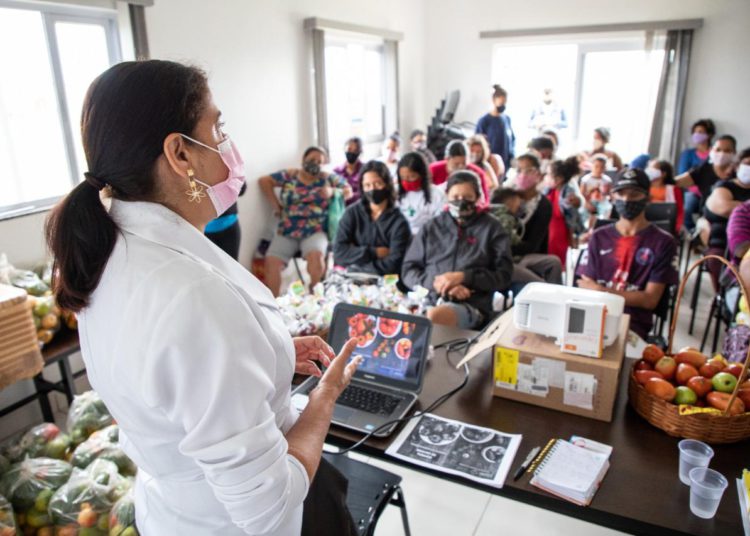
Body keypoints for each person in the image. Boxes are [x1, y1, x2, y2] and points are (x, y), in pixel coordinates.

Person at [44, 60, 363, 535]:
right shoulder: (193, 296)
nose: (228, 145)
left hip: (175, 511)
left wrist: (265, 354)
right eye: (218, 127)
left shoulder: (110, 251)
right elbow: (268, 506)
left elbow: (174, 381)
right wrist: (325, 397)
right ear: (180, 154)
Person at [402, 171, 513, 329]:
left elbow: (504, 276)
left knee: (435, 317)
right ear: (447, 196)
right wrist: (439, 284)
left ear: (478, 196)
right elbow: (408, 270)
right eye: (455, 198)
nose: (461, 202)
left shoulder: (492, 228)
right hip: (427, 297)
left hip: (472, 304)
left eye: (467, 198)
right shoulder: (431, 227)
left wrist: (465, 277)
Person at [577, 168, 678, 339]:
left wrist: (601, 290)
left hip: (633, 326)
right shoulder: (599, 236)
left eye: (634, 194)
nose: (626, 200)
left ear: (647, 199)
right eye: (621, 194)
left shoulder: (663, 242)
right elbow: (585, 287)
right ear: (612, 197)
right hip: (593, 320)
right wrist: (603, 292)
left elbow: (649, 300)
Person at [259, 146, 353, 296]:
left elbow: (348, 190)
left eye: (319, 162)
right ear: (303, 160)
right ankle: (274, 302)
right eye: (312, 160)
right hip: (288, 228)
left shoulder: (327, 178)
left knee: (316, 257)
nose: (315, 163)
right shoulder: (290, 175)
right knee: (271, 261)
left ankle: (315, 297)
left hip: (315, 229)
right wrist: (276, 205)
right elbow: (264, 181)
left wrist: (333, 192)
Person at [333, 161, 412, 276]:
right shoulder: (351, 213)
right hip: (352, 278)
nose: (372, 189)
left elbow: (394, 263)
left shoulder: (399, 222)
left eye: (378, 184)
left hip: (385, 282)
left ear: (387, 184)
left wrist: (357, 265)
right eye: (367, 185)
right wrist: (374, 252)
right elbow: (339, 253)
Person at [511, 153, 563, 286]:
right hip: (502, 256)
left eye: (529, 170)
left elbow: (533, 244)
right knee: (533, 281)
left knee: (554, 262)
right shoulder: (505, 197)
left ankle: (554, 300)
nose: (523, 175)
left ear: (539, 175)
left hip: (526, 255)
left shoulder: (543, 205)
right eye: (519, 170)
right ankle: (544, 291)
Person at [703, 147, 750, 282]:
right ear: (736, 166)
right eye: (748, 164)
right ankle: (723, 296)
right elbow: (724, 208)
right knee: (718, 259)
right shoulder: (724, 187)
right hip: (722, 240)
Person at [676, 135, 737, 237]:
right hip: (708, 218)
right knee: (712, 233)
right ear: (712, 150)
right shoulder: (703, 169)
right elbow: (677, 181)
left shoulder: (740, 173)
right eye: (718, 150)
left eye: (727, 150)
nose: (721, 154)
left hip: (734, 218)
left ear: (734, 153)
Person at [677, 119, 716, 233]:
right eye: (695, 132)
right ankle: (693, 234)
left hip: (712, 191)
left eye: (700, 132)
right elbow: (682, 175)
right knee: (687, 208)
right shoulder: (688, 154)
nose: (697, 135)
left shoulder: (716, 153)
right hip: (693, 191)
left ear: (709, 134)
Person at [396, 152, 446, 235]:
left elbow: (440, 223)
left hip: (427, 236)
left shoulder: (437, 195)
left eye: (411, 177)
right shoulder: (396, 193)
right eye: (403, 178)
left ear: (422, 174)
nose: (407, 181)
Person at [545, 156, 582, 266]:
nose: (545, 177)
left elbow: (573, 212)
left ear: (559, 179)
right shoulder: (550, 190)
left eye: (548, 174)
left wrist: (573, 236)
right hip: (549, 228)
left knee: (557, 259)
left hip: (559, 231)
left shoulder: (568, 192)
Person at [475, 84, 515, 169]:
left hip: (505, 163)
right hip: (491, 163)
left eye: (505, 103)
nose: (503, 106)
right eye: (501, 103)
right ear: (494, 100)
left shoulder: (507, 119)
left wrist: (512, 156)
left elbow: (512, 139)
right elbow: (478, 142)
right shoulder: (484, 121)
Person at [204, 182, 247, 260]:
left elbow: (242, 189)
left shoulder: (231, 169)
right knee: (207, 267)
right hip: (203, 228)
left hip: (229, 225)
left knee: (231, 266)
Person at [646, 160, 684, 234]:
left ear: (663, 174)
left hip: (666, 226)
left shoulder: (673, 190)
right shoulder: (643, 189)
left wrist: (677, 227)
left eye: (653, 169)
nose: (649, 171)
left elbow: (679, 211)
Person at [579, 154, 613, 230]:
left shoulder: (607, 180)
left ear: (605, 168)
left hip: (602, 202)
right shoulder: (586, 180)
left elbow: (610, 194)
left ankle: (602, 227)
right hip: (589, 202)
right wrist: (587, 203)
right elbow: (581, 194)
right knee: (585, 213)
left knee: (608, 208)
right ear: (592, 166)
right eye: (596, 166)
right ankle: (586, 229)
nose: (599, 169)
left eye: (602, 167)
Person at [333, 137, 364, 205]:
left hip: (360, 207)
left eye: (355, 150)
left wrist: (351, 195)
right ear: (344, 149)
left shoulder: (365, 169)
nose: (352, 152)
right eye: (349, 149)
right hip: (342, 208)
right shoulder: (337, 171)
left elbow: (367, 191)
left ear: (360, 152)